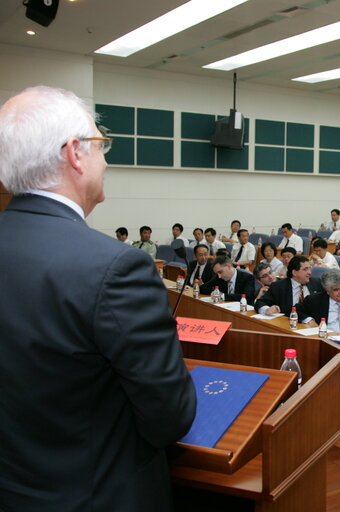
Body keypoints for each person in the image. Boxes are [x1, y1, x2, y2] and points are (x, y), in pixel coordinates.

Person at [0, 85, 196, 510]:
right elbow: (171, 416)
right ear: (75, 153)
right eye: (100, 145)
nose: (105, 160)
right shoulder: (116, 268)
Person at [256, 255, 322, 314]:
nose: (309, 272)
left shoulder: (317, 283)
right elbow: (260, 303)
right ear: (294, 272)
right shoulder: (278, 286)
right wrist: (267, 309)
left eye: (309, 268)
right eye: (305, 269)